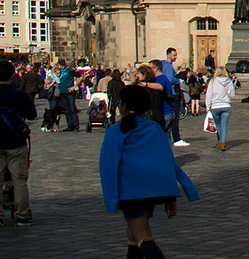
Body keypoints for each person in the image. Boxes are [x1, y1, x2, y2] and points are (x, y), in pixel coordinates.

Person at [100, 85, 199, 259]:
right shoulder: (153, 128)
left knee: (143, 238)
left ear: (123, 106)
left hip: (131, 193)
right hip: (152, 191)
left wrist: (111, 200)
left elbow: (108, 167)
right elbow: (166, 162)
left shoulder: (115, 131)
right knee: (133, 237)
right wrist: (170, 196)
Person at [0, 59, 37, 226]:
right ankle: (22, 215)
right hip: (16, 143)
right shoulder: (20, 96)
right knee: (19, 181)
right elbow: (32, 115)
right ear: (13, 76)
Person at [204, 68, 235, 151]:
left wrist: (207, 106)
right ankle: (222, 142)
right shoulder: (229, 81)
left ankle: (220, 141)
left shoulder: (213, 82)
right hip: (226, 105)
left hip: (215, 106)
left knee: (218, 125)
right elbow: (232, 94)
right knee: (224, 125)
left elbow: (209, 94)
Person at [161, 49, 187, 146]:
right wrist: (178, 80)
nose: (176, 57)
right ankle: (176, 138)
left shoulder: (165, 65)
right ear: (168, 55)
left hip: (169, 93)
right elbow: (169, 79)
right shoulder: (168, 66)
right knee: (175, 116)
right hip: (172, 93)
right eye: (174, 55)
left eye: (176, 55)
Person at [57, 59, 81, 131]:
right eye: (61, 65)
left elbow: (80, 77)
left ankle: (76, 124)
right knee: (66, 109)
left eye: (63, 65)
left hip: (69, 93)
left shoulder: (70, 70)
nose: (62, 67)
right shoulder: (59, 71)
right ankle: (70, 125)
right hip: (62, 92)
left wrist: (74, 86)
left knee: (72, 108)